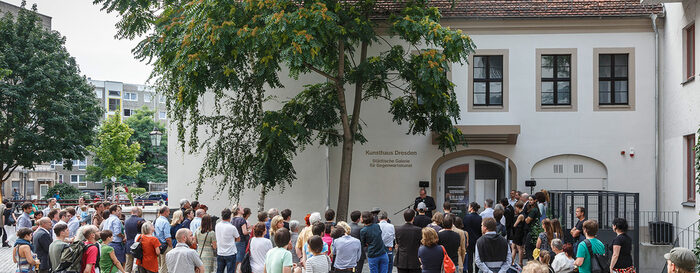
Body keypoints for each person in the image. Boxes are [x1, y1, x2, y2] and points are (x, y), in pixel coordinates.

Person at [216, 208, 241, 273]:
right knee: (231, 271)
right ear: (230, 216)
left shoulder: (217, 225)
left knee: (219, 270)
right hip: (230, 252)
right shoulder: (232, 227)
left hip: (220, 252)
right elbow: (238, 238)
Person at [462, 202, 482, 273]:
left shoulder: (466, 217)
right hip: (478, 240)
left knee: (469, 259)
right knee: (477, 259)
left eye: (469, 206)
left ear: (471, 208)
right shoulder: (480, 218)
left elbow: (464, 229)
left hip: (469, 240)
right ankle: (477, 271)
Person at [125, 207, 145, 273]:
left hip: (128, 244)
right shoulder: (141, 220)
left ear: (131, 212)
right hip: (138, 245)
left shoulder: (126, 221)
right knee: (137, 265)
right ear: (138, 212)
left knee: (128, 265)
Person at [154, 206, 172, 273]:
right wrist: (171, 246)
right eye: (168, 211)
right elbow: (167, 237)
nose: (169, 213)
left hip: (158, 244)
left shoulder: (157, 220)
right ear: (165, 212)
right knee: (165, 265)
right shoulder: (165, 222)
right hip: (165, 245)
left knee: (161, 264)